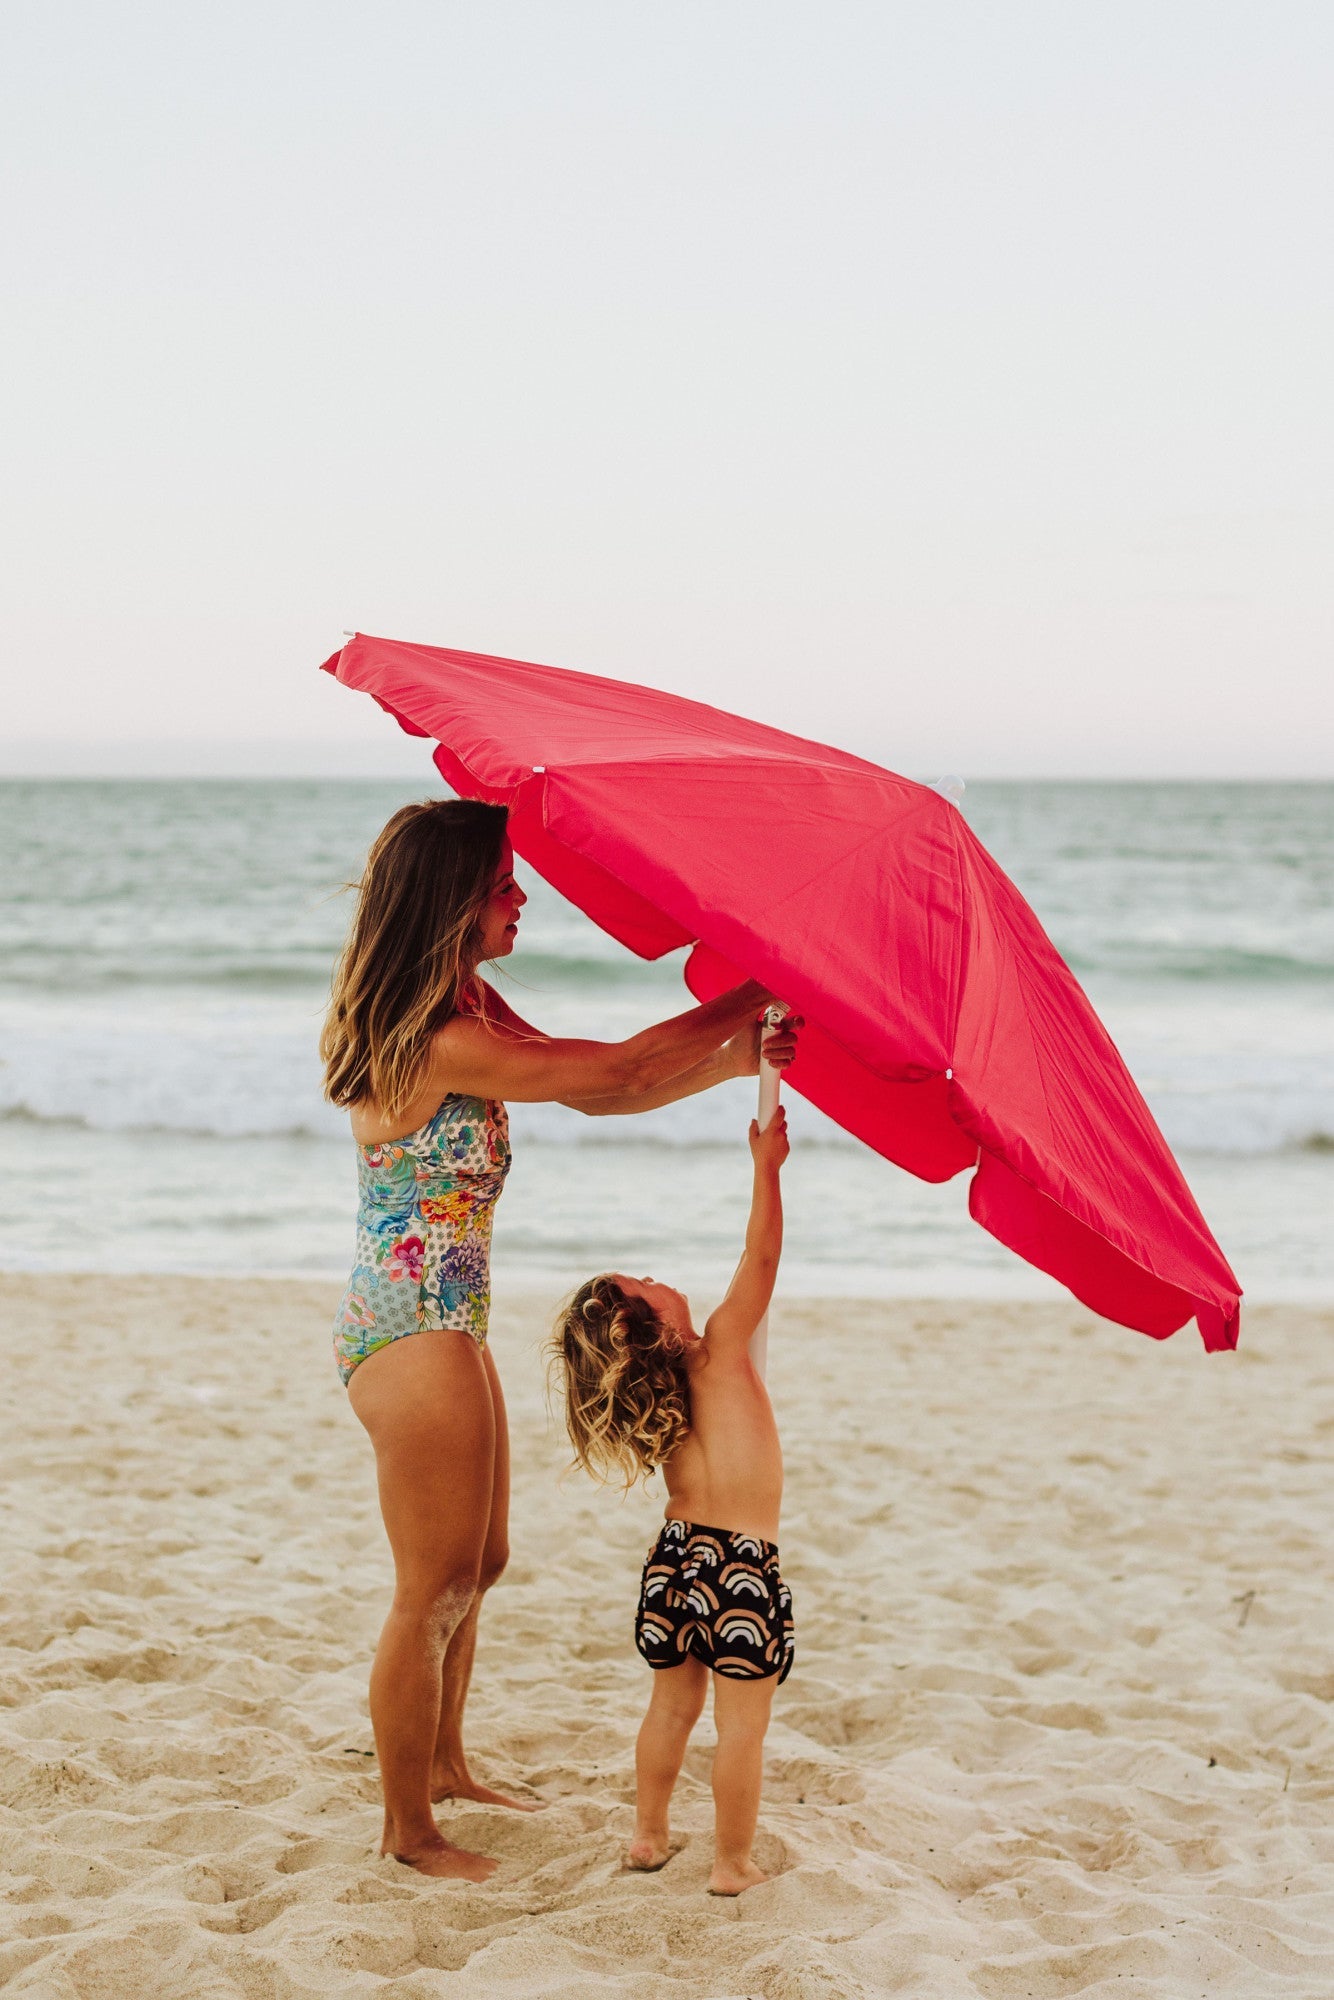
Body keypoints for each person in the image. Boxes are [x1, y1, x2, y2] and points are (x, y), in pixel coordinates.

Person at [320, 797, 796, 1881]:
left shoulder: (463, 1006)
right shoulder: (435, 1038)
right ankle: (407, 1829)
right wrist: (751, 986)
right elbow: (614, 1070)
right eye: (502, 885)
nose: (520, 897)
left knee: (477, 1565)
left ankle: (443, 1764)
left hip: (444, 1317)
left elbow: (599, 1092)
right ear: (452, 902)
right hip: (407, 1329)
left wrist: (735, 1056)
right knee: (429, 1585)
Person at [549, 1103, 793, 1896]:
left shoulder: (657, 1403)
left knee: (670, 1708)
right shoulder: (721, 1354)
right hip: (741, 1565)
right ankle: (731, 1863)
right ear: (648, 1323)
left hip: (673, 1562)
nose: (658, 1277)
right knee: (742, 1727)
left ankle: (648, 1836)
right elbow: (761, 1258)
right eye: (643, 1283)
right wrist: (766, 1167)